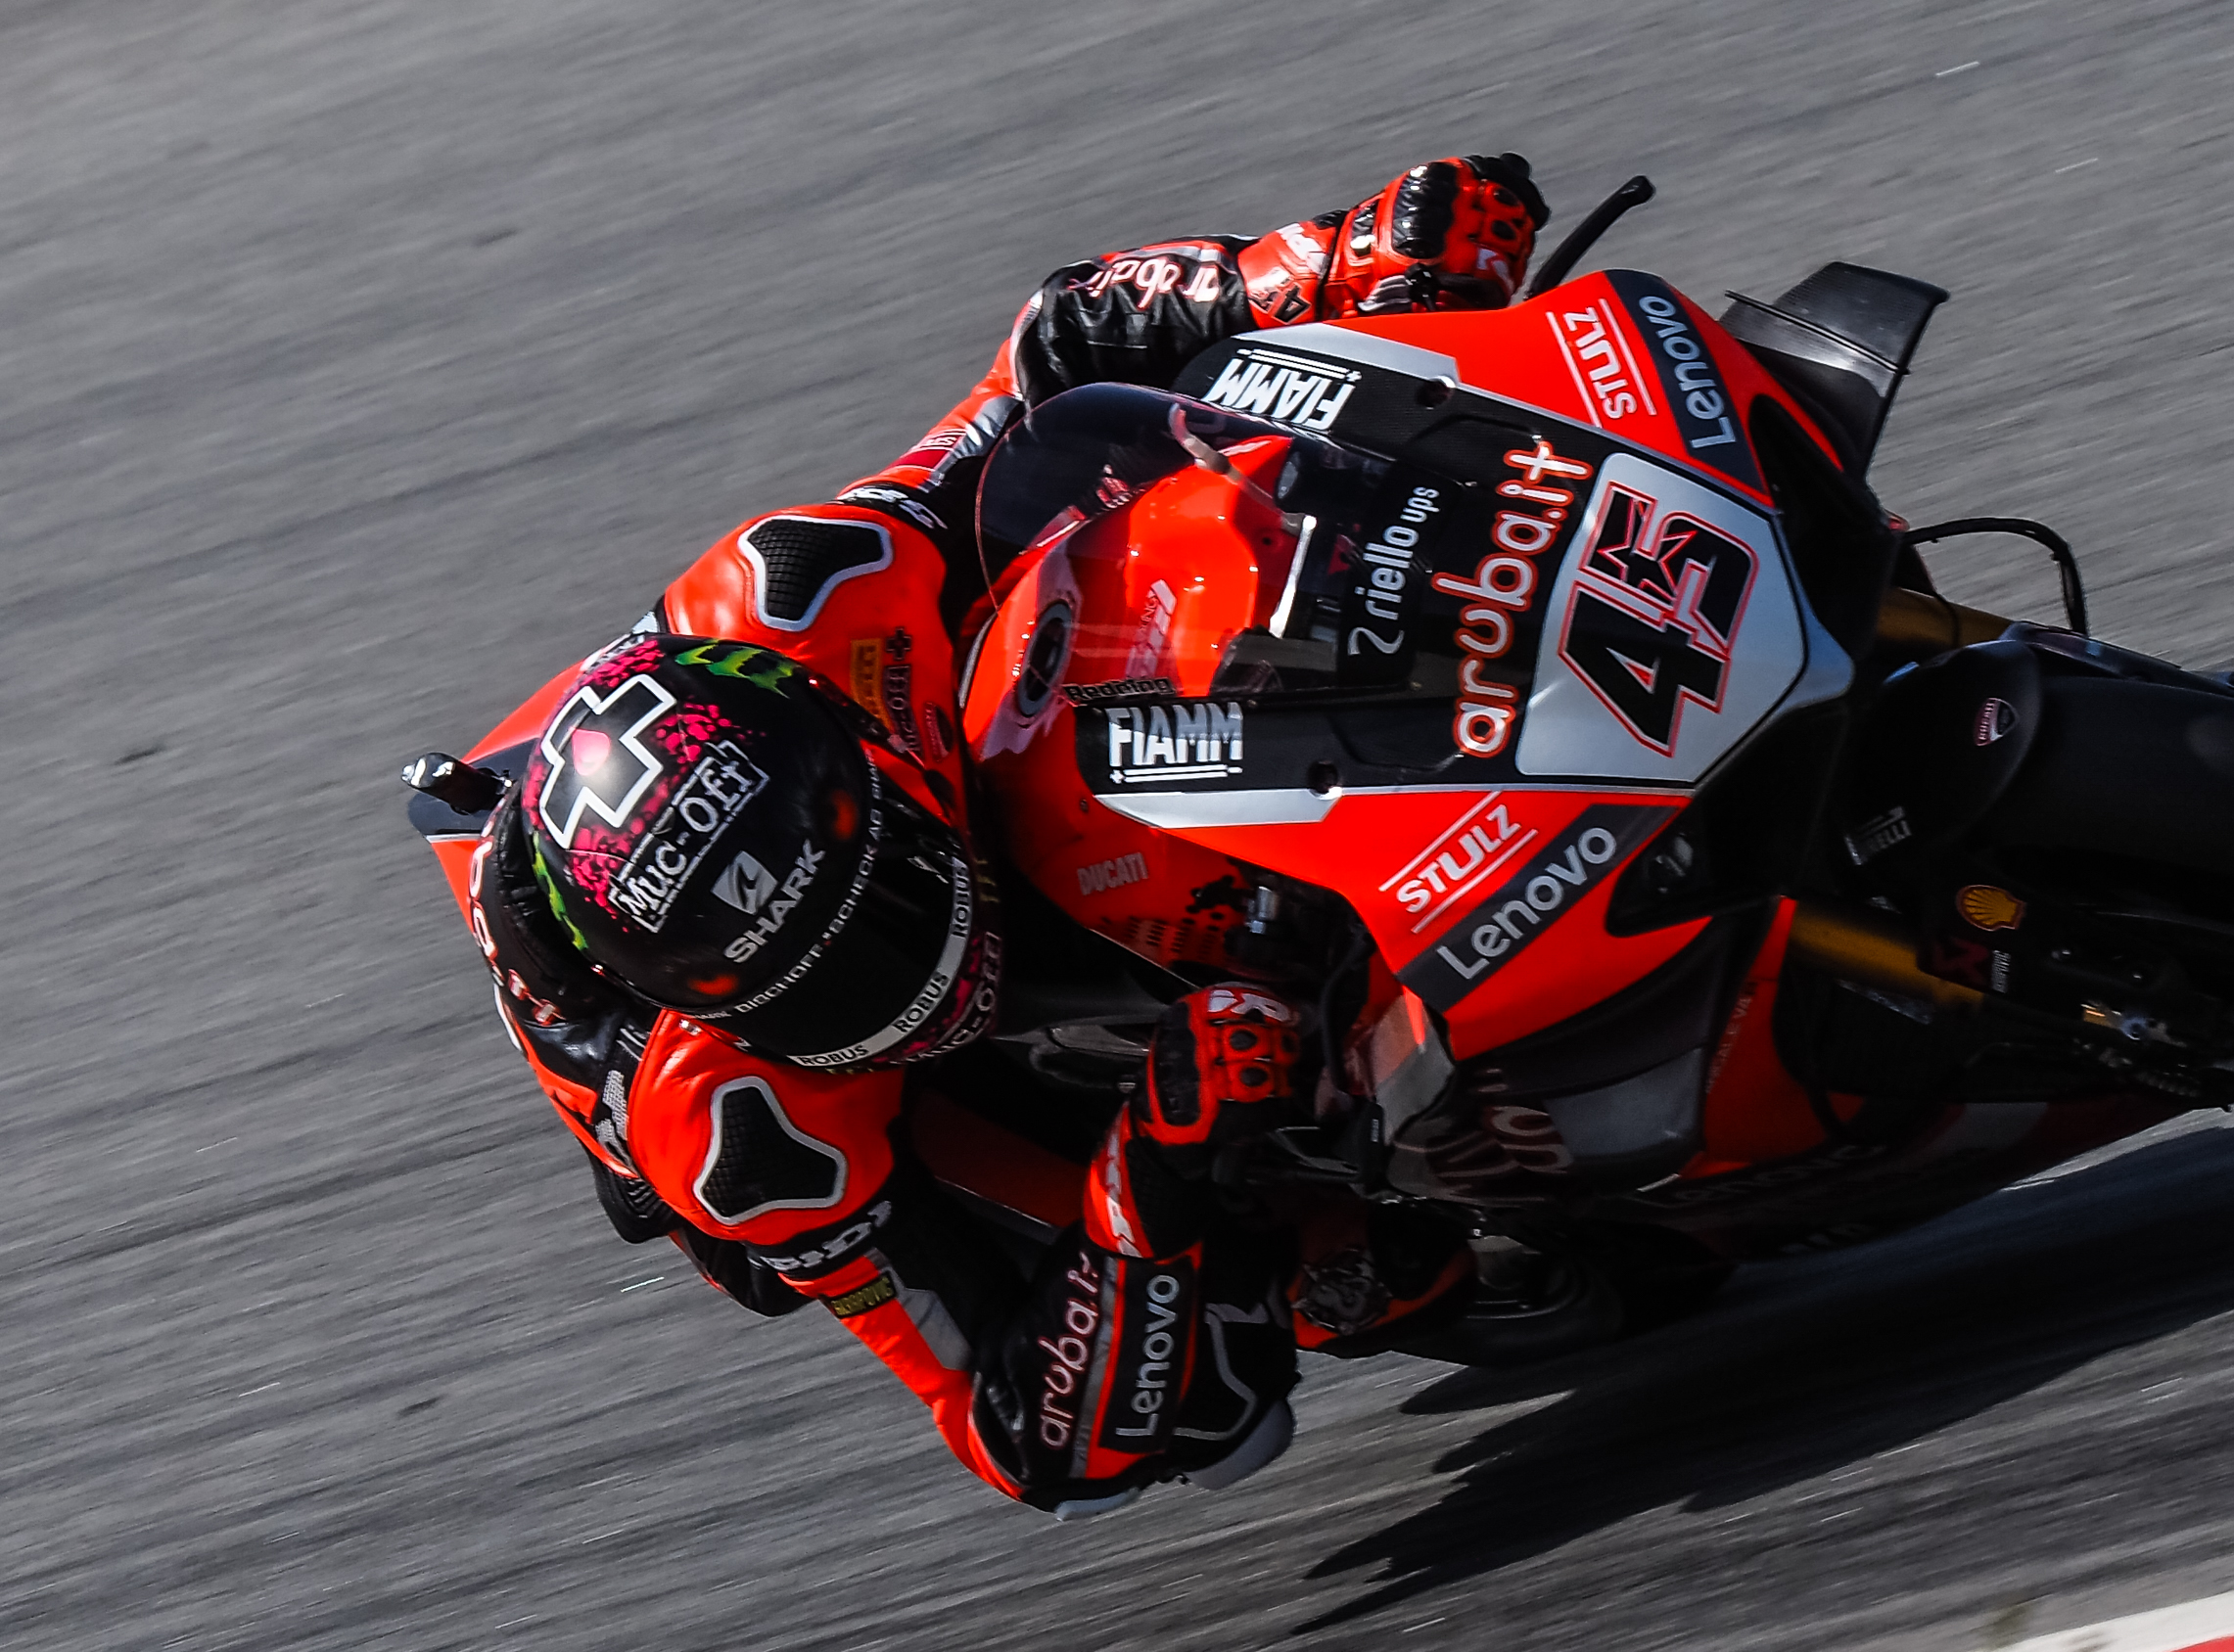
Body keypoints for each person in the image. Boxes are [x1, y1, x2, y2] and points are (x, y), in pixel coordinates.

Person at [427, 157, 1550, 1517]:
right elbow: (1018, 1440)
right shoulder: (736, 1120)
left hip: (777, 731)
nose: (906, 973)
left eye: (885, 903)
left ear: (865, 743)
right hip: (756, 1089)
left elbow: (1055, 350)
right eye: (834, 986)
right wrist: (1150, 1170)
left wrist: (1342, 255)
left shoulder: (820, 591)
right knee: (1219, 1395)